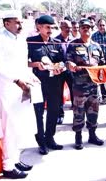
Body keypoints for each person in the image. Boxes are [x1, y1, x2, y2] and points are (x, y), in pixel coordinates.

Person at [0, 11, 35, 178]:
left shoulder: (20, 40)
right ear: (6, 23)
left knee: (18, 127)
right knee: (9, 129)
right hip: (6, 90)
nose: (20, 26)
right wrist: (16, 79)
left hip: (21, 89)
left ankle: (15, 159)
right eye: (16, 23)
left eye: (20, 22)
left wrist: (30, 76)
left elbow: (22, 64)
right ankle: (8, 166)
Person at [27, 15, 66, 155]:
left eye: (52, 27)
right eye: (47, 27)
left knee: (54, 110)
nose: (50, 30)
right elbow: (24, 62)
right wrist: (35, 64)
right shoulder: (31, 42)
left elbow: (63, 61)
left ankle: (50, 137)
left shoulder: (56, 42)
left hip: (54, 82)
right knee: (39, 112)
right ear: (39, 27)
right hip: (38, 82)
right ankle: (41, 140)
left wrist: (60, 67)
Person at [66, 19, 106, 150]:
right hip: (79, 86)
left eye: (88, 27)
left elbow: (102, 62)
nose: (86, 29)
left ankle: (92, 135)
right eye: (83, 27)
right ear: (79, 29)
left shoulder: (96, 46)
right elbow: (67, 61)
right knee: (79, 112)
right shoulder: (73, 45)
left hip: (94, 86)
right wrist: (70, 65)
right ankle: (78, 138)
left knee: (93, 111)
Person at [54, 20, 74, 125]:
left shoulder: (74, 40)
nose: (69, 29)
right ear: (61, 27)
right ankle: (60, 115)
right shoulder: (55, 40)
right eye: (67, 27)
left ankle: (77, 115)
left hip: (71, 71)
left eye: (70, 27)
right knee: (59, 93)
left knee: (74, 92)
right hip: (60, 70)